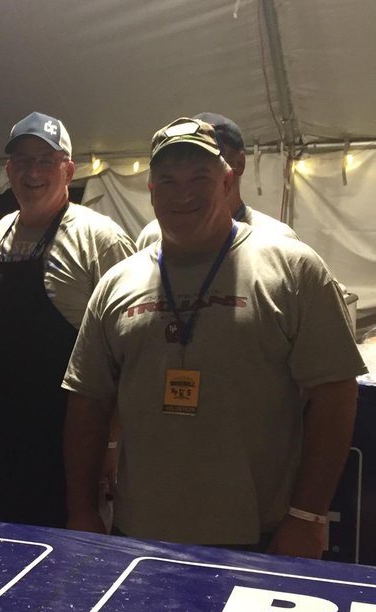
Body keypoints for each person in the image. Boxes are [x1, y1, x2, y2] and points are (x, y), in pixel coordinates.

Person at [63, 116, 366, 558]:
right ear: (150, 191)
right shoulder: (117, 283)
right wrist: (82, 511)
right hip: (140, 534)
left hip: (259, 535)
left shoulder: (292, 269)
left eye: (199, 177)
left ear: (227, 181)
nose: (182, 193)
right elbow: (87, 402)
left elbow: (335, 394)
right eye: (167, 179)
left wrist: (308, 516)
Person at [0, 112, 135, 528]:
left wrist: (112, 444)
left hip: (71, 444)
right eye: (23, 161)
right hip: (1, 436)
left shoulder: (99, 237)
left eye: (45, 160)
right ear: (9, 170)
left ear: (68, 169)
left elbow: (128, 354)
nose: (33, 172)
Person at [135, 112, 296, 247]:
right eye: (169, 179)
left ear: (238, 164)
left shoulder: (276, 238)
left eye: (211, 158)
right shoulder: (153, 236)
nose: (185, 191)